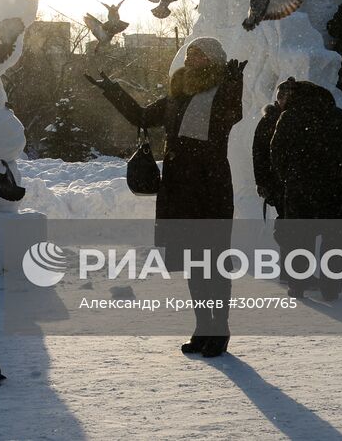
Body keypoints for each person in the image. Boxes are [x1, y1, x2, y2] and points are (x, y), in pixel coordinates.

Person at [89, 37, 245, 358]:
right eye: (189, 54)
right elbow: (142, 117)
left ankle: (220, 329)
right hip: (178, 190)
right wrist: (112, 89)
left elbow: (231, 116)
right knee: (192, 263)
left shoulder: (221, 94)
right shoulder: (176, 97)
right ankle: (203, 326)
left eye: (199, 54)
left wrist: (232, 81)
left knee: (213, 262)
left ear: (213, 60)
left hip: (210, 188)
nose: (191, 59)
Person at [261, 79, 342, 300]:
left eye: (283, 97)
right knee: (335, 240)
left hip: (302, 190)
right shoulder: (337, 115)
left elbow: (276, 152)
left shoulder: (289, 117)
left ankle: (298, 285)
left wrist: (290, 176)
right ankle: (331, 289)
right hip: (338, 191)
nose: (280, 102)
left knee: (301, 239)